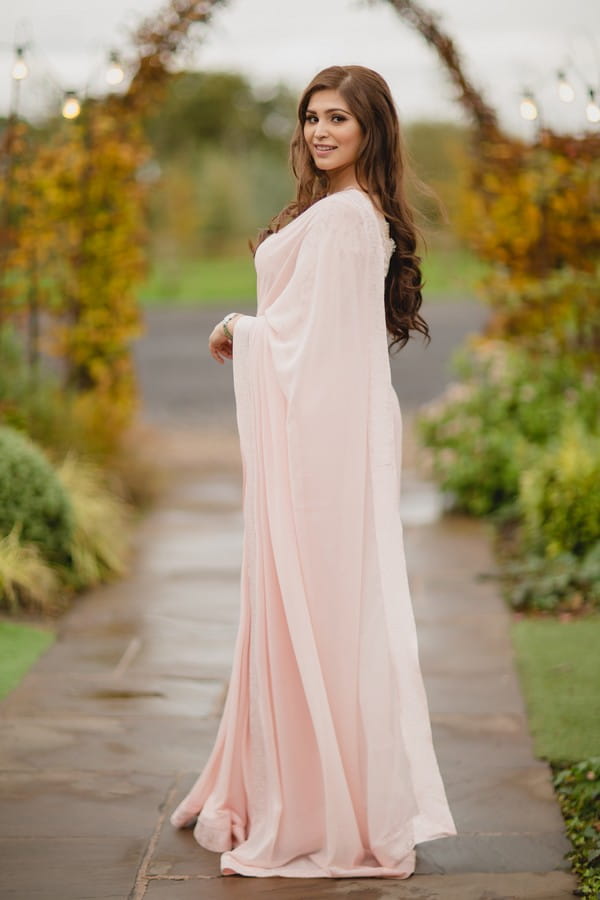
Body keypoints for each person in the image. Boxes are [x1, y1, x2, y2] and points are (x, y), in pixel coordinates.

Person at [169, 64, 457, 879]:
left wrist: (240, 328)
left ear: (372, 128)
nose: (319, 132)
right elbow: (322, 338)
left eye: (338, 118)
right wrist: (264, 333)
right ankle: (317, 785)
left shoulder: (343, 219)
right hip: (333, 436)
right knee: (332, 613)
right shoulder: (355, 214)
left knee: (315, 610)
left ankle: (316, 801)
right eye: (310, 118)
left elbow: (306, 346)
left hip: (320, 444)